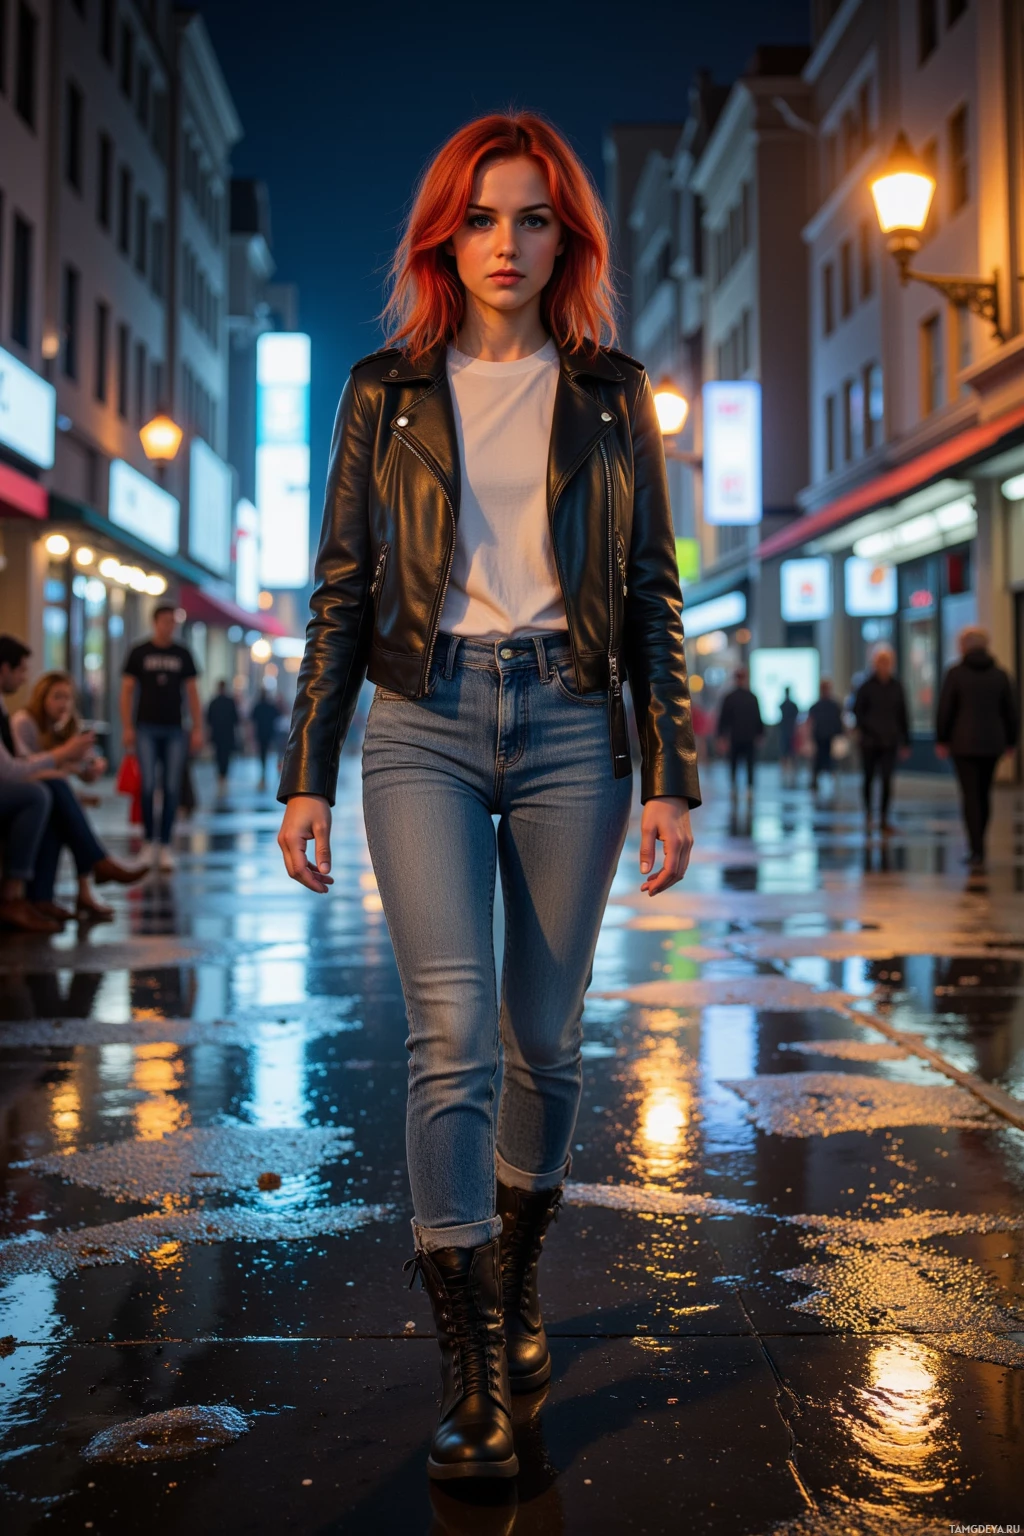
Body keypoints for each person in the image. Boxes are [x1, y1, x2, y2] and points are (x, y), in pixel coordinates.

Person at [275, 112, 700, 1482]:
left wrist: (672, 773)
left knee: (547, 1038)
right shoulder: (382, 390)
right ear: (441, 237)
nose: (505, 244)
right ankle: (471, 1358)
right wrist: (307, 775)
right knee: (450, 1030)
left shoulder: (614, 392)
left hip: (577, 725)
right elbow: (341, 590)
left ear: (564, 237)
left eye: (531, 219)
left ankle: (516, 1282)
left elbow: (650, 592)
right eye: (480, 218)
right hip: (424, 721)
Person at [12, 669, 147, 919]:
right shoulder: (24, 722)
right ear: (42, 697)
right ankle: (96, 867)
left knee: (59, 803)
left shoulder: (63, 726)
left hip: (43, 792)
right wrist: (66, 759)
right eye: (57, 697)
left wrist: (86, 769)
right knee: (57, 797)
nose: (64, 704)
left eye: (68, 697)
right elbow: (23, 768)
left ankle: (52, 895)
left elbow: (58, 769)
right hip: (25, 789)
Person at [0, 638, 95, 933]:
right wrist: (63, 757)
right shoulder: (22, 721)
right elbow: (11, 770)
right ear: (4, 669)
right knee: (39, 795)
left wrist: (71, 766)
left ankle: (42, 896)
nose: (23, 677)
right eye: (21, 671)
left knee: (49, 794)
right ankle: (13, 898)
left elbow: (21, 764)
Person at [120, 605, 202, 871]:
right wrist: (127, 727)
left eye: (173, 622)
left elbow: (192, 693)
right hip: (145, 727)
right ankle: (147, 842)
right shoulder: (139, 652)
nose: (170, 626)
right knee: (147, 786)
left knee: (171, 787)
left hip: (175, 728)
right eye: (165, 621)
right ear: (155, 622)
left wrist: (198, 728)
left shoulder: (182, 653)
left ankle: (165, 844)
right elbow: (127, 691)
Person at [936, 625, 1019, 870]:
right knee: (984, 793)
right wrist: (1012, 741)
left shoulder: (955, 674)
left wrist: (942, 739)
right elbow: (1012, 712)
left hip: (963, 744)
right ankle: (979, 842)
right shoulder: (1000, 675)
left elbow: (945, 710)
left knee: (970, 795)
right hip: (992, 743)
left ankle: (976, 848)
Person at [853, 644, 910, 834]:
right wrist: (865, 729)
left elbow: (903, 713)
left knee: (887, 779)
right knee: (868, 778)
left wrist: (905, 740)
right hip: (870, 741)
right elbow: (857, 712)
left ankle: (884, 817)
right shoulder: (866, 686)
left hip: (890, 741)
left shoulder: (896, 686)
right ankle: (869, 813)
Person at [716, 666, 763, 793]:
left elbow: (723, 719)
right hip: (749, 737)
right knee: (750, 763)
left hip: (735, 737)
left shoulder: (729, 697)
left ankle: (734, 786)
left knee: (733, 763)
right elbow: (758, 717)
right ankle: (749, 788)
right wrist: (760, 734)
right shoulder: (752, 697)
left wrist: (721, 737)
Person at [808, 679, 845, 792]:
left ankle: (830, 780)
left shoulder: (834, 706)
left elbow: (839, 722)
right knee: (819, 760)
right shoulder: (817, 706)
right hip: (820, 737)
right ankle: (816, 781)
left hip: (830, 738)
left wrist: (840, 735)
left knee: (831, 761)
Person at [206, 680, 239, 787]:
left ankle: (221, 774)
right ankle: (223, 774)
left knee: (219, 755)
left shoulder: (213, 702)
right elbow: (236, 719)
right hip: (228, 734)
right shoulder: (230, 702)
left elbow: (208, 719)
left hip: (217, 734)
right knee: (226, 755)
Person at [251, 687, 280, 788]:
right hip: (270, 733)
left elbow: (252, 720)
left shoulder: (257, 707)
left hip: (261, 734)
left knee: (262, 755)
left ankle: (264, 775)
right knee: (273, 754)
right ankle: (273, 774)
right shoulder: (270, 706)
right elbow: (278, 716)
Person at [778, 686, 799, 786]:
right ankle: (788, 774)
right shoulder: (790, 705)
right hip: (789, 731)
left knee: (788, 753)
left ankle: (788, 774)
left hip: (787, 732)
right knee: (788, 754)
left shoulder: (784, 705)